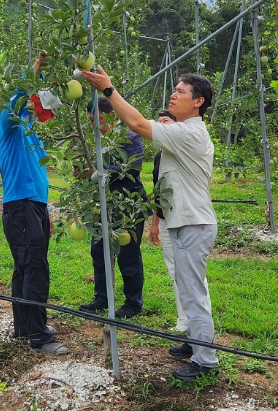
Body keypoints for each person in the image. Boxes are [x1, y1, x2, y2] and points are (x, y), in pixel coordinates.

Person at [82, 67, 219, 382]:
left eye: (181, 91)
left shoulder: (190, 133)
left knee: (193, 292)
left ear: (198, 101)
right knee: (186, 288)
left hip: (193, 223)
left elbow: (136, 124)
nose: (173, 94)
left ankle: (205, 360)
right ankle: (195, 342)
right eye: (174, 89)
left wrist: (109, 90)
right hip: (186, 221)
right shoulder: (184, 131)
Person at [0, 51, 68, 355]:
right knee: (35, 268)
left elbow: (37, 177)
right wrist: (37, 67)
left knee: (25, 267)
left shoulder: (32, 133)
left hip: (32, 207)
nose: (42, 112)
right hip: (21, 207)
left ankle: (25, 327)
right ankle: (39, 336)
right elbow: (19, 94)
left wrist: (45, 210)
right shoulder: (10, 123)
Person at [79, 96, 148, 319]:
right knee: (99, 251)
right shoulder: (98, 141)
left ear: (112, 115)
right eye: (91, 120)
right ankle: (102, 298)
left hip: (128, 205)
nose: (94, 125)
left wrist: (99, 172)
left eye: (98, 119)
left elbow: (132, 168)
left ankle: (133, 303)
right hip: (104, 204)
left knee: (128, 254)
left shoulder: (129, 136)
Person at [149, 109, 212, 335]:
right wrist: (155, 222)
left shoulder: (186, 147)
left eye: (166, 121)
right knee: (175, 271)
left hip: (188, 219)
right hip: (169, 218)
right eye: (159, 122)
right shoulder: (161, 156)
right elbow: (159, 190)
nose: (162, 125)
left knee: (193, 277)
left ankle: (198, 331)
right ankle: (184, 320)